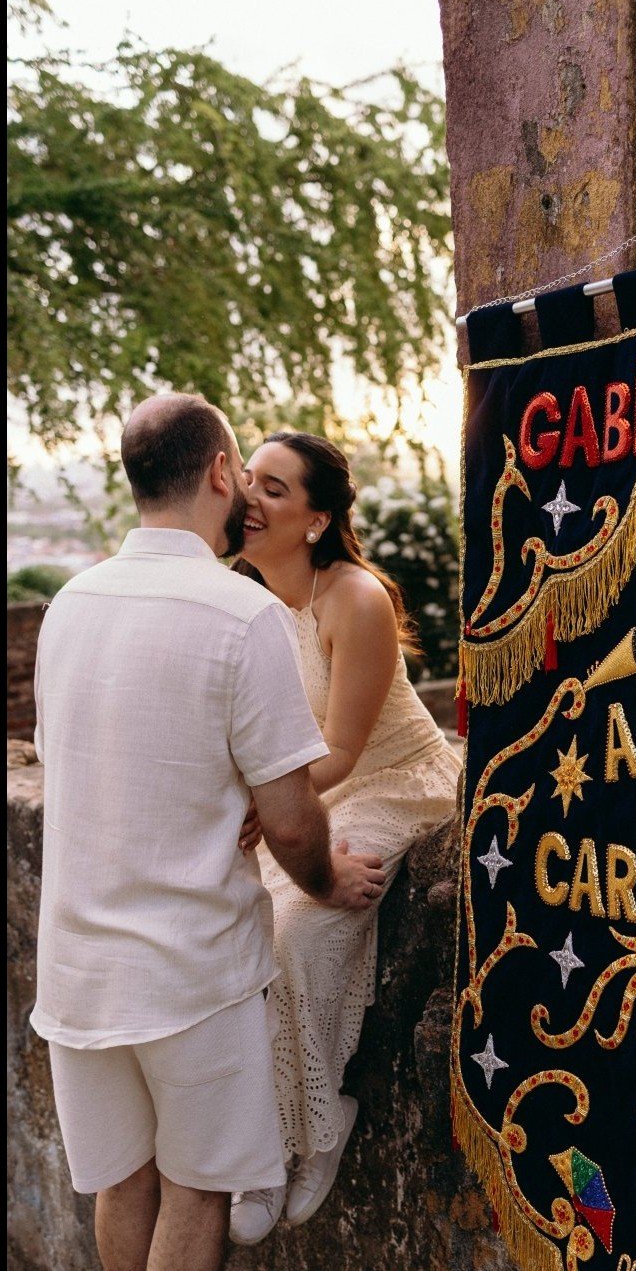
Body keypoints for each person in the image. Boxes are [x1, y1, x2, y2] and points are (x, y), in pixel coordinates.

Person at [30, 394, 385, 1271]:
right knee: (197, 1189)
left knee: (123, 1183)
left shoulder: (69, 604)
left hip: (78, 965)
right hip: (190, 973)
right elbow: (291, 818)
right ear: (221, 472)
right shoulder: (240, 613)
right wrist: (327, 882)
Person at [228, 431, 461, 1245]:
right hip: (294, 793)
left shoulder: (355, 596)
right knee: (226, 928)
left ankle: (315, 1128)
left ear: (317, 519)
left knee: (297, 931)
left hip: (392, 785)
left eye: (275, 488)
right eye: (248, 480)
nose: (251, 498)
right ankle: (255, 1146)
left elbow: (343, 750)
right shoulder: (244, 600)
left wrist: (268, 810)